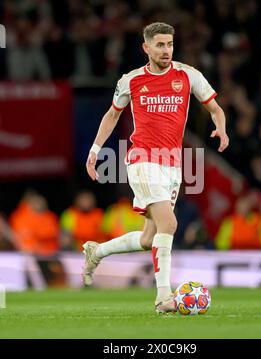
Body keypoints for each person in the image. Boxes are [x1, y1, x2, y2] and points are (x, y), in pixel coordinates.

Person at [83, 22, 229, 313]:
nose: (166, 50)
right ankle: (163, 297)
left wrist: (221, 129)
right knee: (170, 224)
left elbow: (215, 108)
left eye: (170, 44)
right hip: (142, 159)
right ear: (146, 47)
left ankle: (96, 252)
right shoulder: (132, 80)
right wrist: (95, 149)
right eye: (160, 45)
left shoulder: (188, 75)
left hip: (172, 165)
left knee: (150, 237)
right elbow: (112, 115)